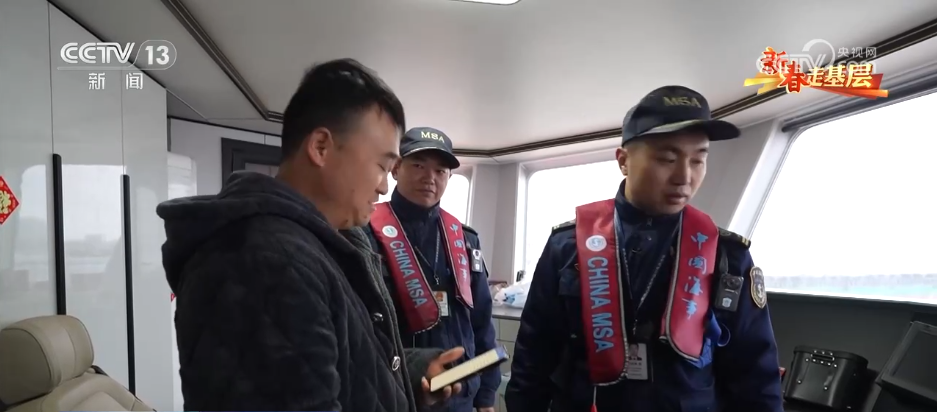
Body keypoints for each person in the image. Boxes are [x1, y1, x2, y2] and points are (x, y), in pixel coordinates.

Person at [157, 58, 463, 412]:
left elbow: (347, 361)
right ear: (320, 147)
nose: (383, 186)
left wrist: (413, 376)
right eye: (382, 166)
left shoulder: (323, 243)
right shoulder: (265, 263)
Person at [505, 85, 784, 412]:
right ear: (623, 161)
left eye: (698, 160)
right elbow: (534, 354)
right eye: (667, 159)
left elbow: (755, 371)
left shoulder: (726, 254)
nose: (684, 177)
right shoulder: (568, 246)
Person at [364, 127, 501, 412]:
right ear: (396, 168)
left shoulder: (464, 238)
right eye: (418, 166)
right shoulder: (366, 231)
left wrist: (487, 394)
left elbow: (481, 321)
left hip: (461, 393)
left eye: (440, 171)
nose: (430, 178)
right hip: (398, 393)